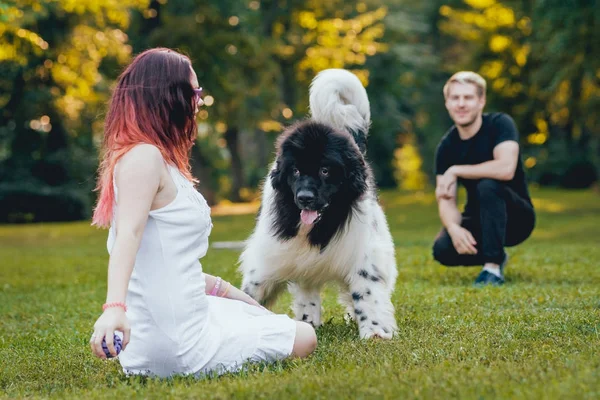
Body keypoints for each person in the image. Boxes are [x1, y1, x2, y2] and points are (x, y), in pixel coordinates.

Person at [89, 48, 317, 378]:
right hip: (178, 347)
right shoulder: (143, 158)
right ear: (169, 96)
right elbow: (129, 236)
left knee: (262, 320)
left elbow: (176, 267)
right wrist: (113, 309)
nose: (199, 101)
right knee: (305, 337)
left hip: (181, 316)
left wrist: (245, 303)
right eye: (195, 91)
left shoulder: (160, 161)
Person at [432, 71, 535, 285]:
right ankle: (496, 252)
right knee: (442, 249)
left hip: (516, 217)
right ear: (447, 103)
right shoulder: (446, 147)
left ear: (481, 101)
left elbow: (506, 168)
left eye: (468, 97)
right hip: (480, 217)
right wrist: (454, 228)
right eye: (455, 98)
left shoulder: (500, 124)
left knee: (488, 184)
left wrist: (456, 170)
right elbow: (445, 198)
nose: (461, 104)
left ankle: (493, 268)